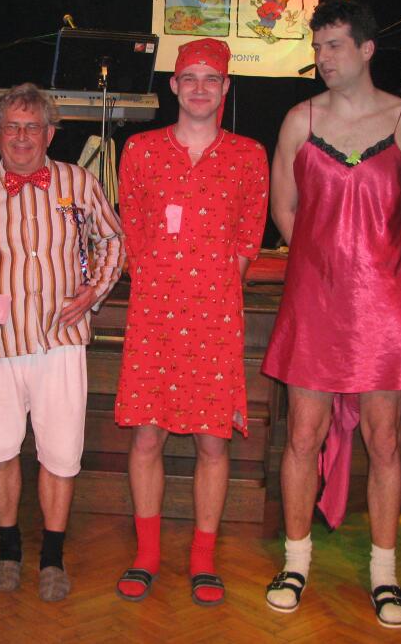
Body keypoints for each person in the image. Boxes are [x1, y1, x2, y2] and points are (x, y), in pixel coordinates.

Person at [260, 0, 401, 628]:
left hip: (384, 307)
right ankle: (295, 561)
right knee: (301, 436)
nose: (322, 58)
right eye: (317, 48)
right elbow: (284, 211)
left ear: (366, 49)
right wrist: (325, 264)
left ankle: (385, 573)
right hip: (314, 302)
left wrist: (372, 268)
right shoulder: (299, 120)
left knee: (384, 440)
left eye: (334, 45)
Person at [113, 38, 270, 606]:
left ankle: (203, 557)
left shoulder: (249, 155)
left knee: (212, 443)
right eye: (190, 78)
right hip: (154, 314)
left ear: (226, 87)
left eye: (211, 78)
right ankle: (147, 554)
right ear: (174, 86)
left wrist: (216, 287)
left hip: (214, 317)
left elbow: (250, 235)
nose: (200, 87)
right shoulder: (141, 150)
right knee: (147, 436)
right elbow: (132, 228)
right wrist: (161, 281)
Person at [0, 83, 125, 602]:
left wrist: (93, 292)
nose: (22, 136)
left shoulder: (79, 182)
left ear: (50, 134)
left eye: (33, 127)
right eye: (12, 126)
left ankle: (52, 555)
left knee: (61, 453)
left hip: (61, 341)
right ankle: (8, 549)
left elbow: (113, 240)